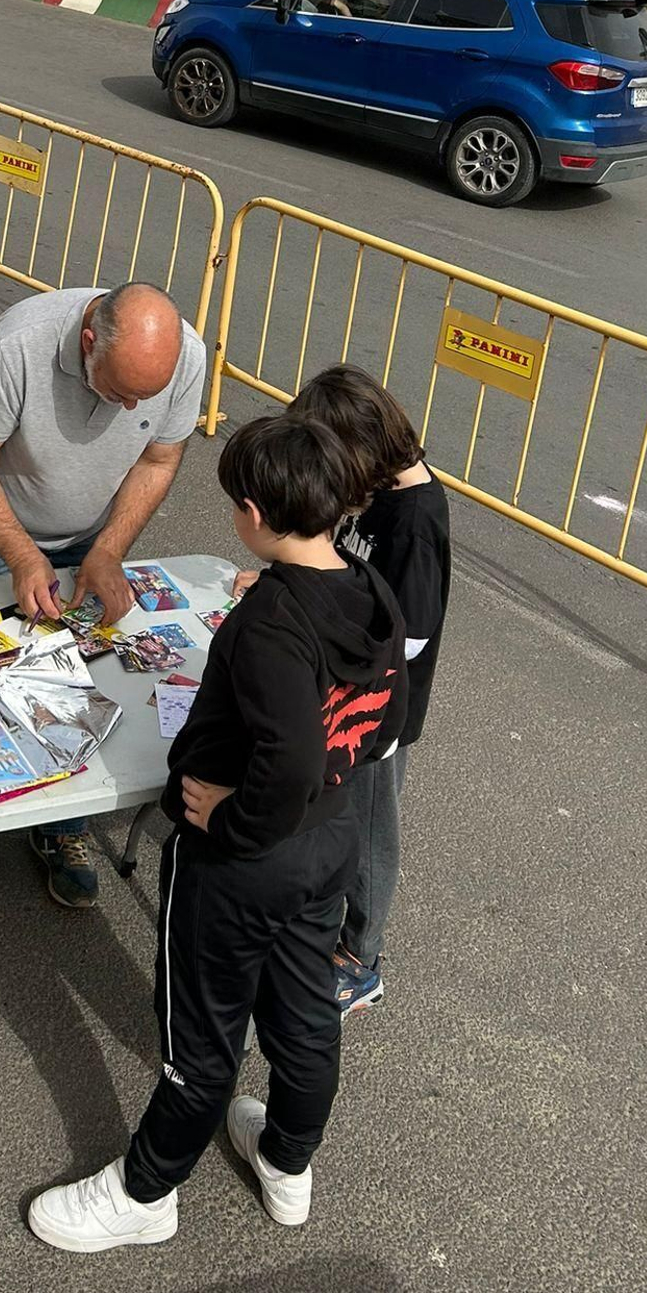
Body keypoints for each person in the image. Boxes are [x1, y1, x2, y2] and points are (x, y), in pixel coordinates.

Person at [26, 414, 407, 1253]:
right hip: (325, 848)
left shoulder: (274, 626)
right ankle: (287, 1162)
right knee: (306, 1014)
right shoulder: (367, 587)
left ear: (254, 511)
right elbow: (385, 722)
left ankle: (145, 1190)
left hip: (243, 864)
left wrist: (231, 815)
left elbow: (293, 760)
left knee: (202, 1035)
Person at [0, 281, 206, 907]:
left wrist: (108, 550)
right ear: (89, 342)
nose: (127, 409)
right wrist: (23, 555)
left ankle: (60, 824)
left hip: (90, 534)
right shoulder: (17, 346)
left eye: (143, 398)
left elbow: (158, 461)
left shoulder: (182, 357)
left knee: (76, 676)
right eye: (118, 392)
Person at [288, 364, 451, 1015]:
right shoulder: (381, 494)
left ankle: (362, 956)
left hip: (380, 716)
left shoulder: (415, 518)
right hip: (348, 694)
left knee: (371, 835)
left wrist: (325, 626)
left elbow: (405, 640)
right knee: (341, 817)